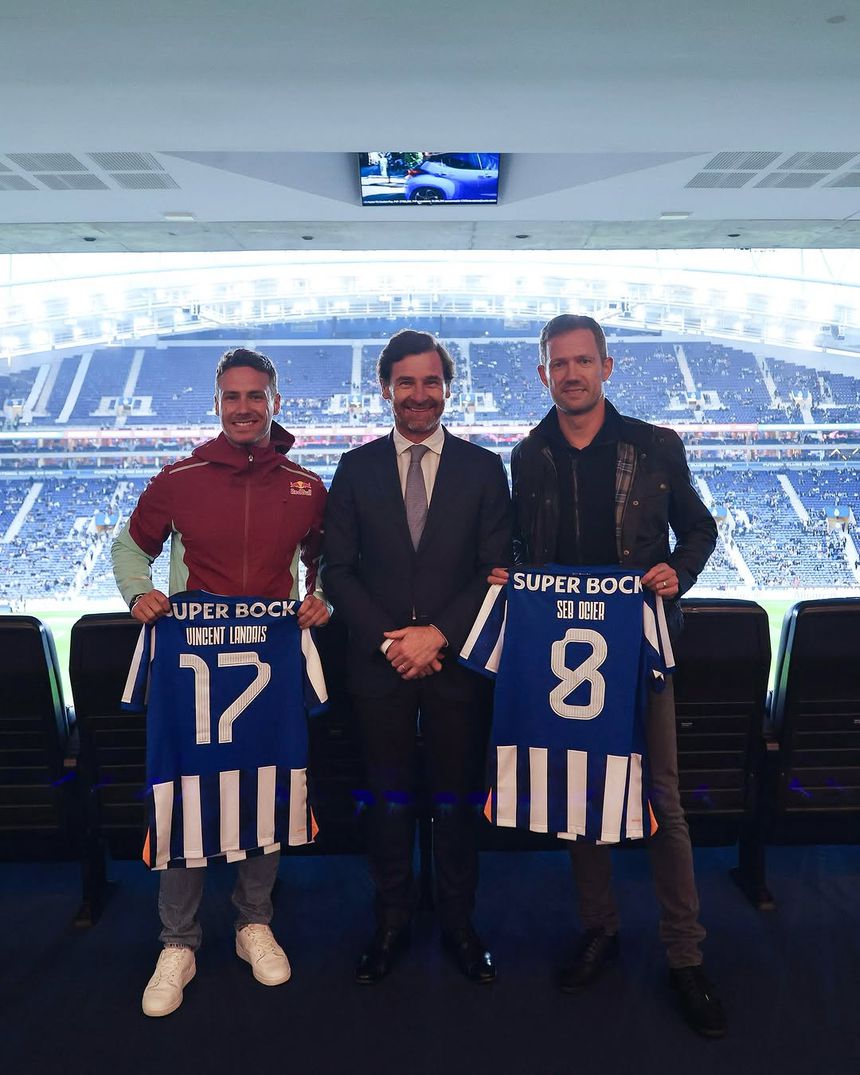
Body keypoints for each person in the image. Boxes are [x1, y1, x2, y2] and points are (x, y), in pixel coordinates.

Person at [489, 314, 725, 1038]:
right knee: (580, 797)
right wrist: (512, 572)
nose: (571, 372)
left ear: (607, 366)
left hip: (639, 649)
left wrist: (675, 573)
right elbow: (525, 546)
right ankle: (601, 927)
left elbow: (702, 530)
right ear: (543, 374)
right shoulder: (526, 455)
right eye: (558, 363)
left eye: (583, 360)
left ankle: (686, 954)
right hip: (565, 653)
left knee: (663, 802)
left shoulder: (655, 446)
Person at [112, 347, 328, 1018]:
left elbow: (328, 563)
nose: (243, 406)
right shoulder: (181, 477)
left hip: (264, 667)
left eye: (255, 395)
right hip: (193, 671)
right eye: (232, 396)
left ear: (275, 402)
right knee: (186, 790)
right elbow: (129, 548)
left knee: (262, 785)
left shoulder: (305, 485)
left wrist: (319, 599)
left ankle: (252, 922)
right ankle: (178, 938)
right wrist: (137, 593)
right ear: (216, 403)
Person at [321, 329, 511, 985]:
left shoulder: (485, 469)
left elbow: (496, 568)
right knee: (389, 802)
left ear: (447, 389)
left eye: (431, 382)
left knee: (458, 803)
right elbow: (336, 573)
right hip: (380, 669)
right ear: (385, 389)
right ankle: (391, 922)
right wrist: (393, 640)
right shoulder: (355, 468)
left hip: (457, 667)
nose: (419, 395)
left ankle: (460, 923)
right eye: (406, 382)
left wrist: (438, 635)